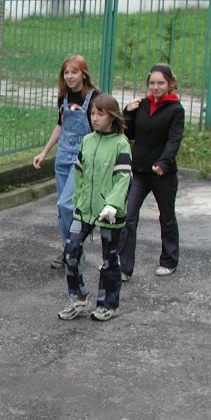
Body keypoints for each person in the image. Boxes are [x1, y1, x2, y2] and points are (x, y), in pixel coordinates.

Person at [57, 94, 132, 322]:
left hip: (109, 213)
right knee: (70, 252)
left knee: (109, 259)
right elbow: (79, 173)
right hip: (84, 210)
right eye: (92, 114)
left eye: (101, 114)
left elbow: (123, 179)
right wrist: (79, 199)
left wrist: (112, 205)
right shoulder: (87, 140)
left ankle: (108, 304)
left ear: (112, 117)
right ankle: (78, 299)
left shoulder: (121, 144)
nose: (95, 118)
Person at [32, 54, 101, 269]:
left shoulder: (95, 97)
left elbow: (100, 127)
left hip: (82, 158)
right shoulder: (63, 96)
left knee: (67, 204)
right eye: (66, 72)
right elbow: (60, 125)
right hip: (63, 156)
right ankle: (68, 249)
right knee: (62, 208)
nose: (70, 76)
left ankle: (75, 247)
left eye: (74, 72)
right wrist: (44, 152)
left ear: (84, 74)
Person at [118, 63, 185, 280]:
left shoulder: (176, 109)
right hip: (139, 170)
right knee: (129, 216)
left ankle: (169, 260)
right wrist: (127, 112)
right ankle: (124, 267)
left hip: (162, 173)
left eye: (160, 83)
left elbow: (174, 140)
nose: (156, 87)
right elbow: (129, 134)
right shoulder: (142, 105)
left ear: (169, 84)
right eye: (152, 83)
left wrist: (163, 163)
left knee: (166, 217)